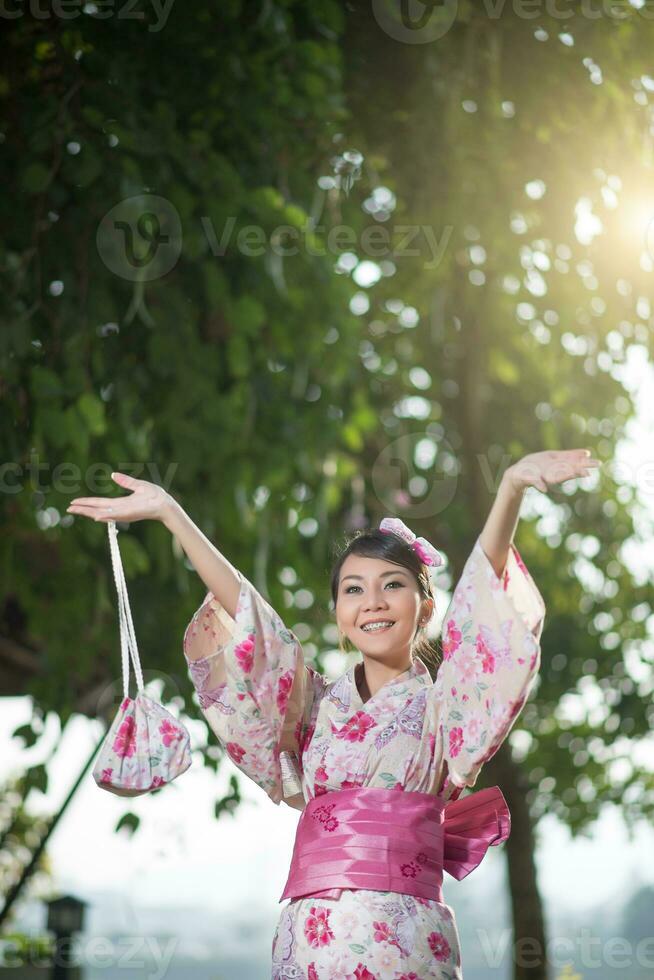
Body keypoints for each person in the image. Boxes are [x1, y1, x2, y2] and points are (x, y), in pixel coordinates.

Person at [66, 448, 599, 978]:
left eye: (393, 585)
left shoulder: (446, 707)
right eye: (353, 590)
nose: (373, 601)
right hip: (309, 939)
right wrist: (170, 513)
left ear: (426, 607)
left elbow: (482, 613)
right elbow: (251, 618)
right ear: (339, 615)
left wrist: (509, 489)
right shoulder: (313, 704)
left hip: (405, 940)